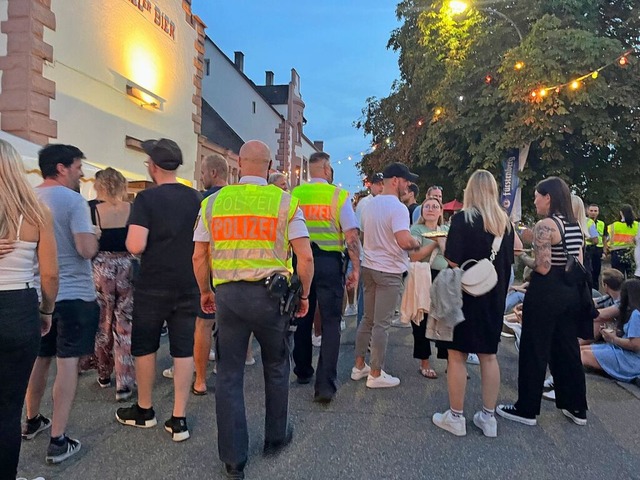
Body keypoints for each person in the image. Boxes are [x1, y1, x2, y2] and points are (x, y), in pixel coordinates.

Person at [192, 140, 313, 480]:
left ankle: (233, 460)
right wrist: (302, 295)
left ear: (239, 165)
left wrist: (205, 290)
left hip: (229, 297)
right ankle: (275, 437)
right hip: (272, 299)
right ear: (271, 164)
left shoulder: (215, 202)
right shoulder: (285, 202)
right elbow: (304, 256)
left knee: (229, 374)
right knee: (276, 364)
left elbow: (199, 255)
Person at [115, 138, 202, 442]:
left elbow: (136, 245)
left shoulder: (146, 200)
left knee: (145, 345)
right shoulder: (196, 198)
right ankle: (179, 419)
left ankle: (145, 409)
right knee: (182, 348)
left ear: (152, 166)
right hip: (188, 282)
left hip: (154, 284)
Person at [24, 144, 99, 464]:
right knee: (67, 364)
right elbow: (84, 249)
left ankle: (31, 419)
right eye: (78, 166)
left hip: (38, 293)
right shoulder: (74, 201)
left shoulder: (27, 198)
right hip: (74, 293)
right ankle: (58, 439)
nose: (81, 172)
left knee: (40, 359)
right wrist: (95, 236)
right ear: (61, 167)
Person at [498, 176, 588, 427]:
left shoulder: (546, 225)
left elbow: (543, 267)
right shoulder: (573, 224)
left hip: (546, 291)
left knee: (534, 347)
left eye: (537, 195)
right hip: (570, 291)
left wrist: (522, 256)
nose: (535, 201)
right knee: (567, 348)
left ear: (548, 197)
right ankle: (576, 407)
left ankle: (526, 408)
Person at [431, 170, 514, 438]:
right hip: (494, 295)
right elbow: (508, 263)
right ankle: (488, 418)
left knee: (457, 355)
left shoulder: (462, 220)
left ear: (470, 191)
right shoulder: (505, 224)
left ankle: (456, 417)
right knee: (489, 355)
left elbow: (453, 261)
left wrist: (443, 245)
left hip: (465, 295)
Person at [0, 140, 58, 479]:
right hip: (19, 308)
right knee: (8, 409)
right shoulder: (37, 213)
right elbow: (49, 273)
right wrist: (46, 310)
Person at [291, 151, 361, 402]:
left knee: (302, 316)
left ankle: (302, 370)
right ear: (327, 170)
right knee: (331, 324)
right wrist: (356, 268)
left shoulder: (296, 195)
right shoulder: (338, 196)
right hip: (331, 263)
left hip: (301, 261)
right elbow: (351, 236)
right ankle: (325, 387)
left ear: (310, 171)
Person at [351, 162, 421, 388]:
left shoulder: (369, 205)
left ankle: (359, 366)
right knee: (381, 324)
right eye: (406, 180)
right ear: (395, 181)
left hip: (369, 266)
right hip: (389, 269)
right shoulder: (398, 208)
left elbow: (362, 234)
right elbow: (403, 240)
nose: (408, 185)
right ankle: (376, 372)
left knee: (367, 320)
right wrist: (416, 242)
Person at [86, 168, 136, 402]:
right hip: (127, 266)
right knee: (124, 325)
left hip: (101, 269)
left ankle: (104, 373)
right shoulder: (131, 209)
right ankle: (124, 382)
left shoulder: (92, 209)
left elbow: (89, 246)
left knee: (103, 322)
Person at [192, 154, 228, 395]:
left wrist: (203, 287)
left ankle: (200, 380)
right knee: (229, 326)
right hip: (233, 271)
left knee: (203, 324)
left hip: (209, 271)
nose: (201, 177)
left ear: (213, 173)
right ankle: (227, 373)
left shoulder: (203, 202)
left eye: (203, 173)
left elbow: (198, 250)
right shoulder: (237, 200)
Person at [408, 197, 447, 379]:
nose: (431, 209)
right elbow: (414, 256)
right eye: (427, 206)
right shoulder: (416, 230)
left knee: (446, 319)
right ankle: (424, 361)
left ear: (440, 211)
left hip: (444, 277)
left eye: (435, 206)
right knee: (421, 319)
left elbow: (452, 256)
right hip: (423, 276)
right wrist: (435, 242)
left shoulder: (447, 230)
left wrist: (442, 241)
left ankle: (450, 361)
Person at [581, 279, 640, 382]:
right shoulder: (633, 311)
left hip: (630, 359)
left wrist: (613, 338)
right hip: (623, 351)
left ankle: (559, 384)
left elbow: (635, 345)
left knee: (582, 354)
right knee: (579, 349)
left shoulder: (636, 314)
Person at [354, 172, 384, 325]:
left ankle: (367, 330)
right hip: (367, 257)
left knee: (372, 297)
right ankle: (363, 330)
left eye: (382, 184)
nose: (380, 187)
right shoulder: (366, 204)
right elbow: (361, 233)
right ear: (370, 185)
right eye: (377, 183)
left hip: (376, 258)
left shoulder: (380, 202)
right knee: (366, 297)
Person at [606, 204, 638, 277]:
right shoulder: (637, 225)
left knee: (618, 278)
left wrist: (606, 251)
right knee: (632, 277)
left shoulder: (613, 226)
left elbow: (608, 240)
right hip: (632, 253)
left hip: (617, 254)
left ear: (621, 213)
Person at [586, 204, 607, 287]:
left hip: (598, 249)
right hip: (587, 249)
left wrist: (605, 251)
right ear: (587, 211)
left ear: (598, 212)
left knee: (596, 271)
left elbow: (604, 237)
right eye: (591, 211)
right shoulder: (585, 222)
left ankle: (595, 289)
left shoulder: (601, 223)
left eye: (595, 211)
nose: (593, 213)